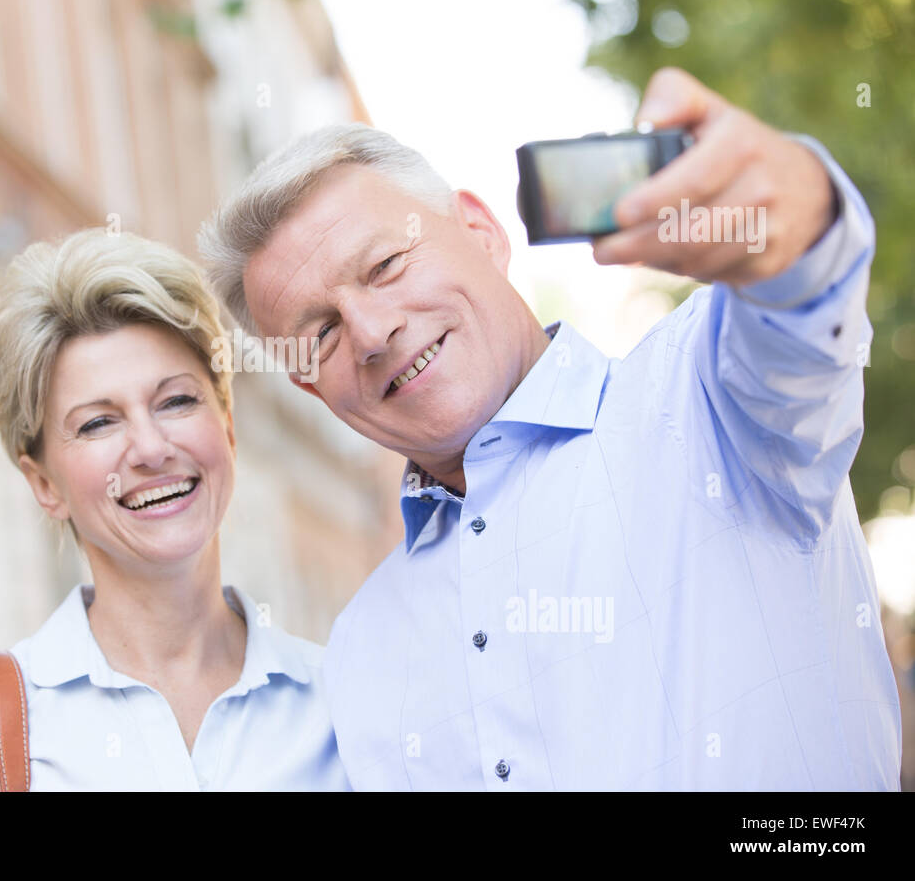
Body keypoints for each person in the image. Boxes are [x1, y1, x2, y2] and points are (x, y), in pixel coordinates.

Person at [198, 67, 902, 790]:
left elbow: (802, 317)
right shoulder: (358, 653)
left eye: (384, 265)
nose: (372, 332)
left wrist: (794, 213)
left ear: (481, 231)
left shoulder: (714, 399)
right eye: (320, 332)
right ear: (308, 384)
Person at [0, 229, 350, 791]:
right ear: (44, 483)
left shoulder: (343, 699)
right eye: (98, 422)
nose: (150, 449)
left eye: (176, 400)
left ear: (227, 428)